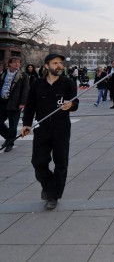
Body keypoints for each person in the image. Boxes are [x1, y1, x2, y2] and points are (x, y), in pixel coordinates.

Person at [20, 53, 79, 210]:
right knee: (38, 162)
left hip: (61, 129)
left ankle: (53, 196)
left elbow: (75, 102)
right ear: (46, 66)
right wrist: (26, 124)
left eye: (60, 63)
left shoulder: (68, 83)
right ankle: (48, 186)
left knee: (61, 163)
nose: (59, 66)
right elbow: (30, 105)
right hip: (42, 129)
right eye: (55, 63)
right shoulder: (37, 84)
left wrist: (70, 105)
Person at [0, 57, 29, 152]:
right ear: (10, 64)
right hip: (2, 102)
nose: (17, 64)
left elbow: (25, 89)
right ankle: (9, 138)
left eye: (19, 62)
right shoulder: (4, 73)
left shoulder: (23, 75)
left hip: (15, 103)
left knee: (13, 125)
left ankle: (9, 143)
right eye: (15, 62)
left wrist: (22, 103)